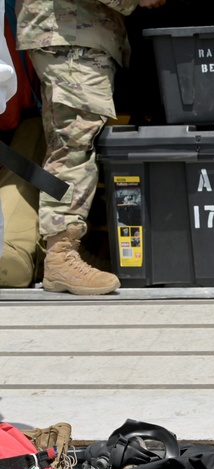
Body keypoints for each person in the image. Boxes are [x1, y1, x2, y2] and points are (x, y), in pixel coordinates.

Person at [15, 0, 166, 295]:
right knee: (73, 141)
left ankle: (67, 249)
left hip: (76, 32)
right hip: (69, 33)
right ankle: (61, 255)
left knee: (74, 138)